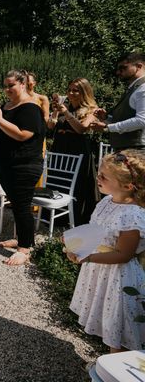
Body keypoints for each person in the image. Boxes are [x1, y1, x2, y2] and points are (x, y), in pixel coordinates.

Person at [67, 150, 145, 353]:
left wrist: (90, 257)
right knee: (105, 316)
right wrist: (76, 247)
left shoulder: (132, 215)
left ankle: (115, 369)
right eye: (99, 173)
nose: (97, 178)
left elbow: (123, 254)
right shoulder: (106, 201)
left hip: (119, 276)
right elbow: (97, 231)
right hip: (101, 271)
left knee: (117, 326)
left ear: (127, 186)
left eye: (103, 176)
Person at [0, 70, 46, 265]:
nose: (7, 90)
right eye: (5, 86)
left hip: (25, 164)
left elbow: (24, 134)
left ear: (23, 84)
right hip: (7, 164)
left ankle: (25, 249)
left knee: (22, 206)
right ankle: (23, 238)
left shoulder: (30, 108)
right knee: (16, 204)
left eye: (11, 85)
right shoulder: (7, 106)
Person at [47, 78, 99, 225]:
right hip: (60, 148)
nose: (71, 93)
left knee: (77, 185)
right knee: (57, 181)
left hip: (78, 151)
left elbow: (81, 129)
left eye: (76, 90)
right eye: (69, 89)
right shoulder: (65, 106)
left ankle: (76, 219)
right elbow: (50, 126)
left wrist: (67, 114)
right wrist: (56, 112)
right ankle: (56, 219)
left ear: (84, 92)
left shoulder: (92, 109)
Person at [91, 52, 145, 150]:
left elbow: (142, 120)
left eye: (123, 68)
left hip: (138, 151)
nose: (118, 72)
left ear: (139, 66)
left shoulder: (143, 88)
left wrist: (107, 127)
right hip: (128, 149)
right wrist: (106, 119)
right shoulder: (134, 88)